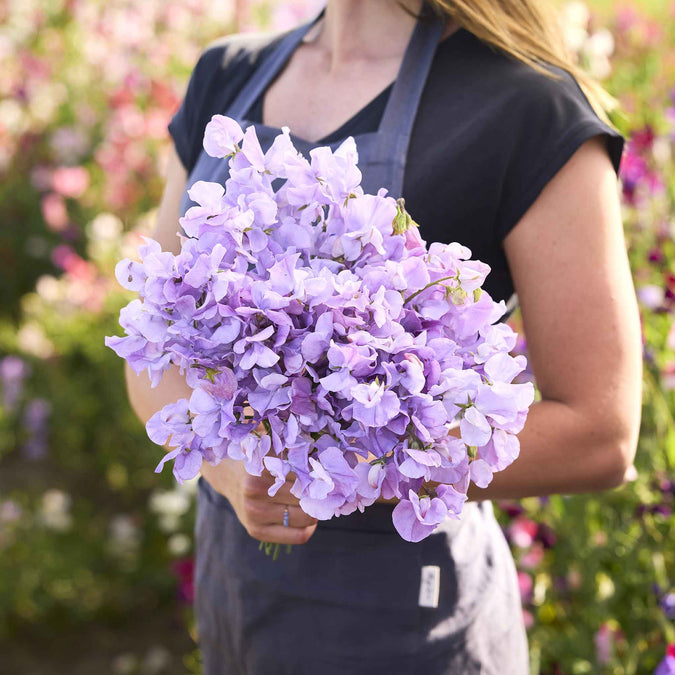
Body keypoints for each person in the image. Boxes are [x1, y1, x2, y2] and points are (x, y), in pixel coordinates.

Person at [124, 0, 643, 672]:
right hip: (239, 608)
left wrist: (338, 468)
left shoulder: (524, 107)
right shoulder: (228, 77)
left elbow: (600, 432)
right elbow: (147, 342)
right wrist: (229, 471)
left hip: (409, 628)